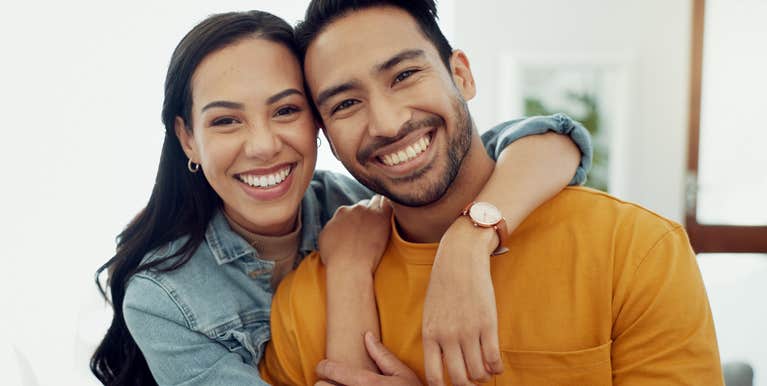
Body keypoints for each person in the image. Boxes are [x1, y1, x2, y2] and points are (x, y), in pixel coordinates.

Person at [89, 10, 593, 386]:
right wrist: (349, 270)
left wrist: (469, 239)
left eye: (286, 110)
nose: (263, 144)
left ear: (320, 123)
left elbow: (544, 139)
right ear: (187, 139)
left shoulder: (364, 196)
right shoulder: (164, 298)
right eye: (226, 120)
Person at [259, 1, 725, 385]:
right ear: (326, 136)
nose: (387, 123)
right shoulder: (309, 301)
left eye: (404, 75)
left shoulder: (636, 251)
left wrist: (470, 238)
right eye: (345, 104)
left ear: (461, 75)